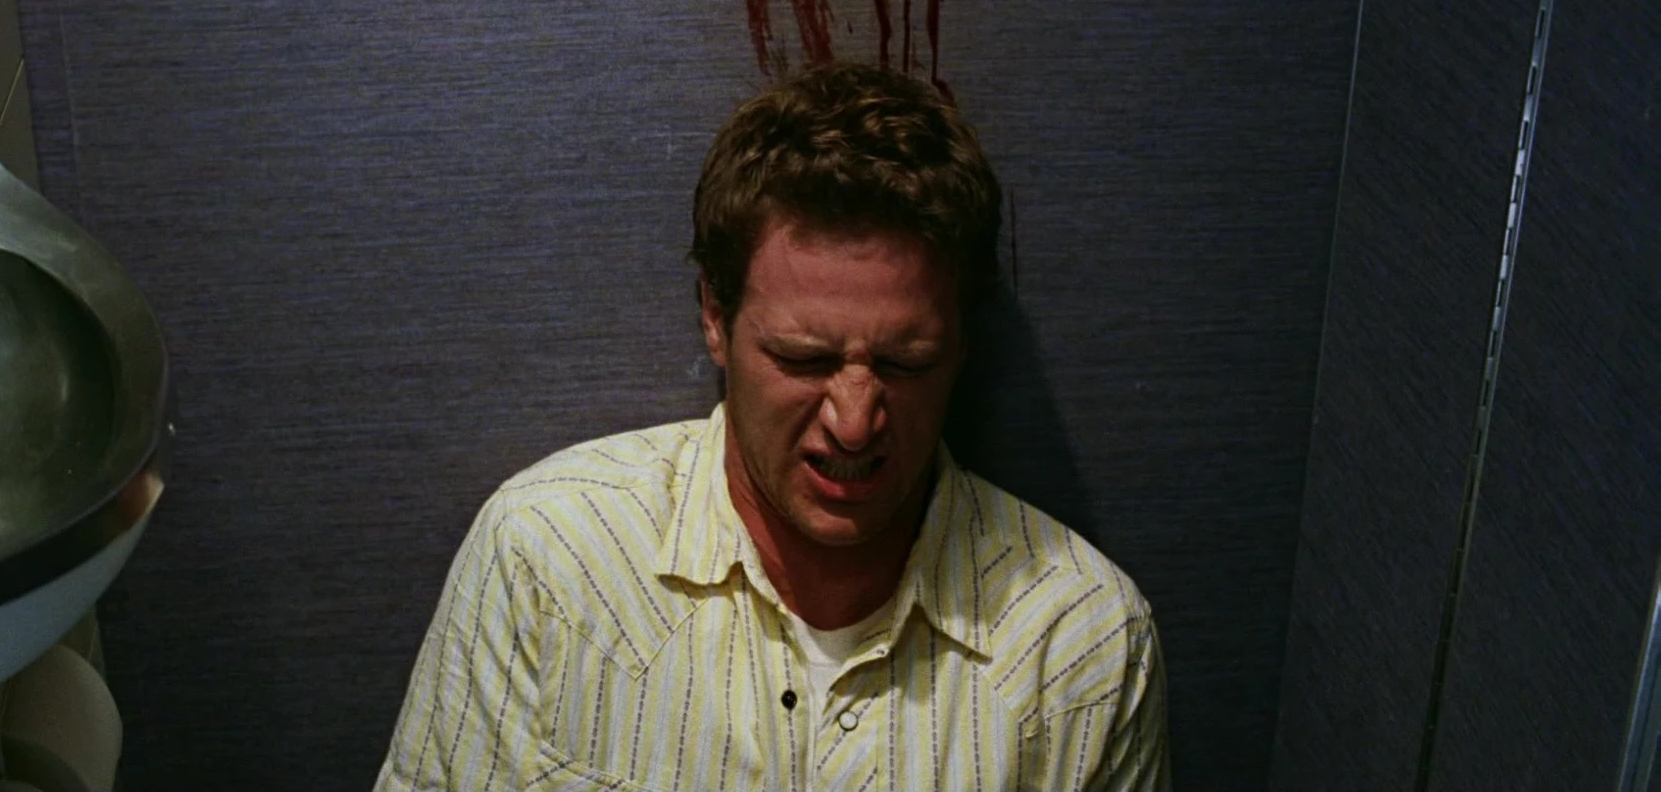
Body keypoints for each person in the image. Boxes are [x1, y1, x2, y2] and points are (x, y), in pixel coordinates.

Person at [375, 62, 1169, 791]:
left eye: (904, 364)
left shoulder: (1084, 643)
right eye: (803, 358)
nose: (854, 423)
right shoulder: (547, 560)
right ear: (714, 317)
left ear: (962, 344)